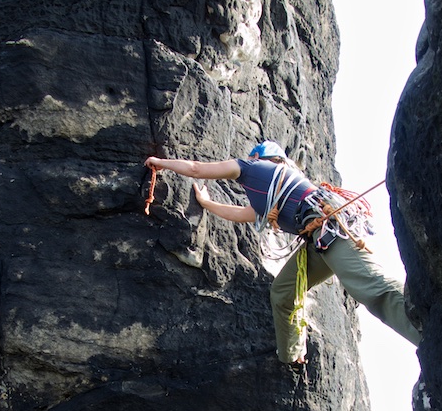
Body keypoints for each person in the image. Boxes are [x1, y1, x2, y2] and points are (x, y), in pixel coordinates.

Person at [145, 141, 421, 364]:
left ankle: (424, 323)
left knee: (370, 287)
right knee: (283, 292)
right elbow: (240, 214)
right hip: (318, 241)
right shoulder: (269, 195)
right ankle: (291, 353)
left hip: (332, 231)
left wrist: (161, 163)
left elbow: (195, 168)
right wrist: (206, 202)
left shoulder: (255, 169)